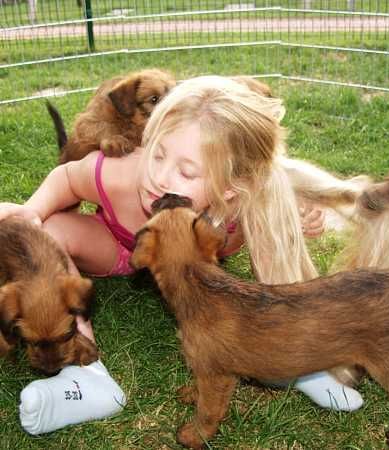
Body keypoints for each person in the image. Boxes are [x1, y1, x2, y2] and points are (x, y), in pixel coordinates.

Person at [0, 76, 362, 434]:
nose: (160, 177)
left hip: (191, 258)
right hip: (116, 245)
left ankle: (303, 361)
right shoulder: (121, 174)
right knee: (49, 231)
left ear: (229, 188)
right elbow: (65, 178)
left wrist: (292, 222)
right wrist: (33, 209)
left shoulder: (245, 200)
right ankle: (88, 376)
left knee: (270, 221)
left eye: (186, 172)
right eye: (158, 153)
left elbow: (275, 200)